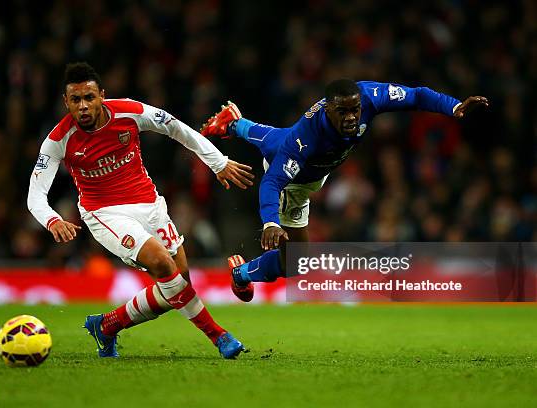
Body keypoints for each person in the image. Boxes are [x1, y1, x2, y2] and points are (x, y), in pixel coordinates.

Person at [27, 62, 255, 358]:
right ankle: (219, 336)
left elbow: (175, 127)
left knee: (179, 283)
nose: (83, 106)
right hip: (105, 213)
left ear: (102, 96)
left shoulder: (129, 112)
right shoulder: (58, 140)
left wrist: (218, 162)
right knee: (162, 264)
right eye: (76, 100)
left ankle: (108, 325)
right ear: (66, 102)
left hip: (149, 203)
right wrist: (52, 219)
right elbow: (35, 195)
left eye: (89, 98)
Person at [201, 79, 489, 302]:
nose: (352, 116)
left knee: (277, 137)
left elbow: (416, 95)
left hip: (308, 159)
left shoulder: (370, 96)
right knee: (295, 264)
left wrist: (453, 106)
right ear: (328, 109)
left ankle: (234, 124)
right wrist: (271, 221)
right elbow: (273, 182)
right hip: (297, 184)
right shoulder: (308, 137)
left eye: (355, 110)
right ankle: (241, 273)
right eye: (343, 112)